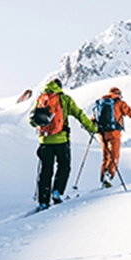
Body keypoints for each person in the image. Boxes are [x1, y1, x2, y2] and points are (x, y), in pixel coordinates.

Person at [29, 78, 100, 210]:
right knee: (64, 166)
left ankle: (43, 201)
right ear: (60, 87)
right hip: (62, 140)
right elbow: (79, 114)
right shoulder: (65, 99)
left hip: (45, 141)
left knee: (46, 171)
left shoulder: (40, 99)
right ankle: (57, 192)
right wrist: (93, 129)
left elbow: (31, 120)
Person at [90, 86, 131, 189]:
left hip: (102, 134)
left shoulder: (101, 103)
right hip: (114, 133)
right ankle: (108, 178)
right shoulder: (120, 103)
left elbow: (93, 118)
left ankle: (103, 180)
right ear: (118, 94)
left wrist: (91, 127)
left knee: (106, 157)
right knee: (114, 156)